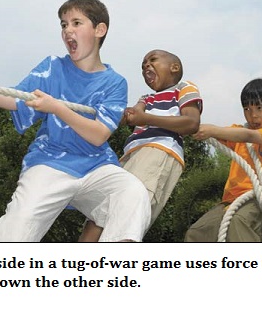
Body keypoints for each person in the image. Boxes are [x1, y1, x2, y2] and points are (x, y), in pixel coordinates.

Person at [0, 0, 151, 242]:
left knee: (132, 192)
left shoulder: (115, 83)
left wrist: (56, 107)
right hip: (50, 161)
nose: (68, 30)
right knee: (18, 224)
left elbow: (99, 134)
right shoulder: (51, 68)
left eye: (76, 23)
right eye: (63, 24)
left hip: (95, 166)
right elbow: (16, 98)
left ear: (100, 30)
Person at [79, 49, 203, 242]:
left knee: (130, 212)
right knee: (101, 211)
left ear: (174, 67)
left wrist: (145, 118)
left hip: (159, 149)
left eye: (153, 60)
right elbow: (133, 114)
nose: (146, 65)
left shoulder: (184, 88)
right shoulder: (146, 98)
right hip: (130, 155)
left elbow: (191, 123)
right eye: (143, 64)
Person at [184, 78, 262, 242]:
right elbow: (223, 134)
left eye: (259, 108)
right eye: (247, 109)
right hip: (230, 201)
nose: (252, 115)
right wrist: (190, 125)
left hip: (258, 201)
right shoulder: (237, 132)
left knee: (238, 222)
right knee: (197, 232)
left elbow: (249, 136)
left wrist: (212, 130)